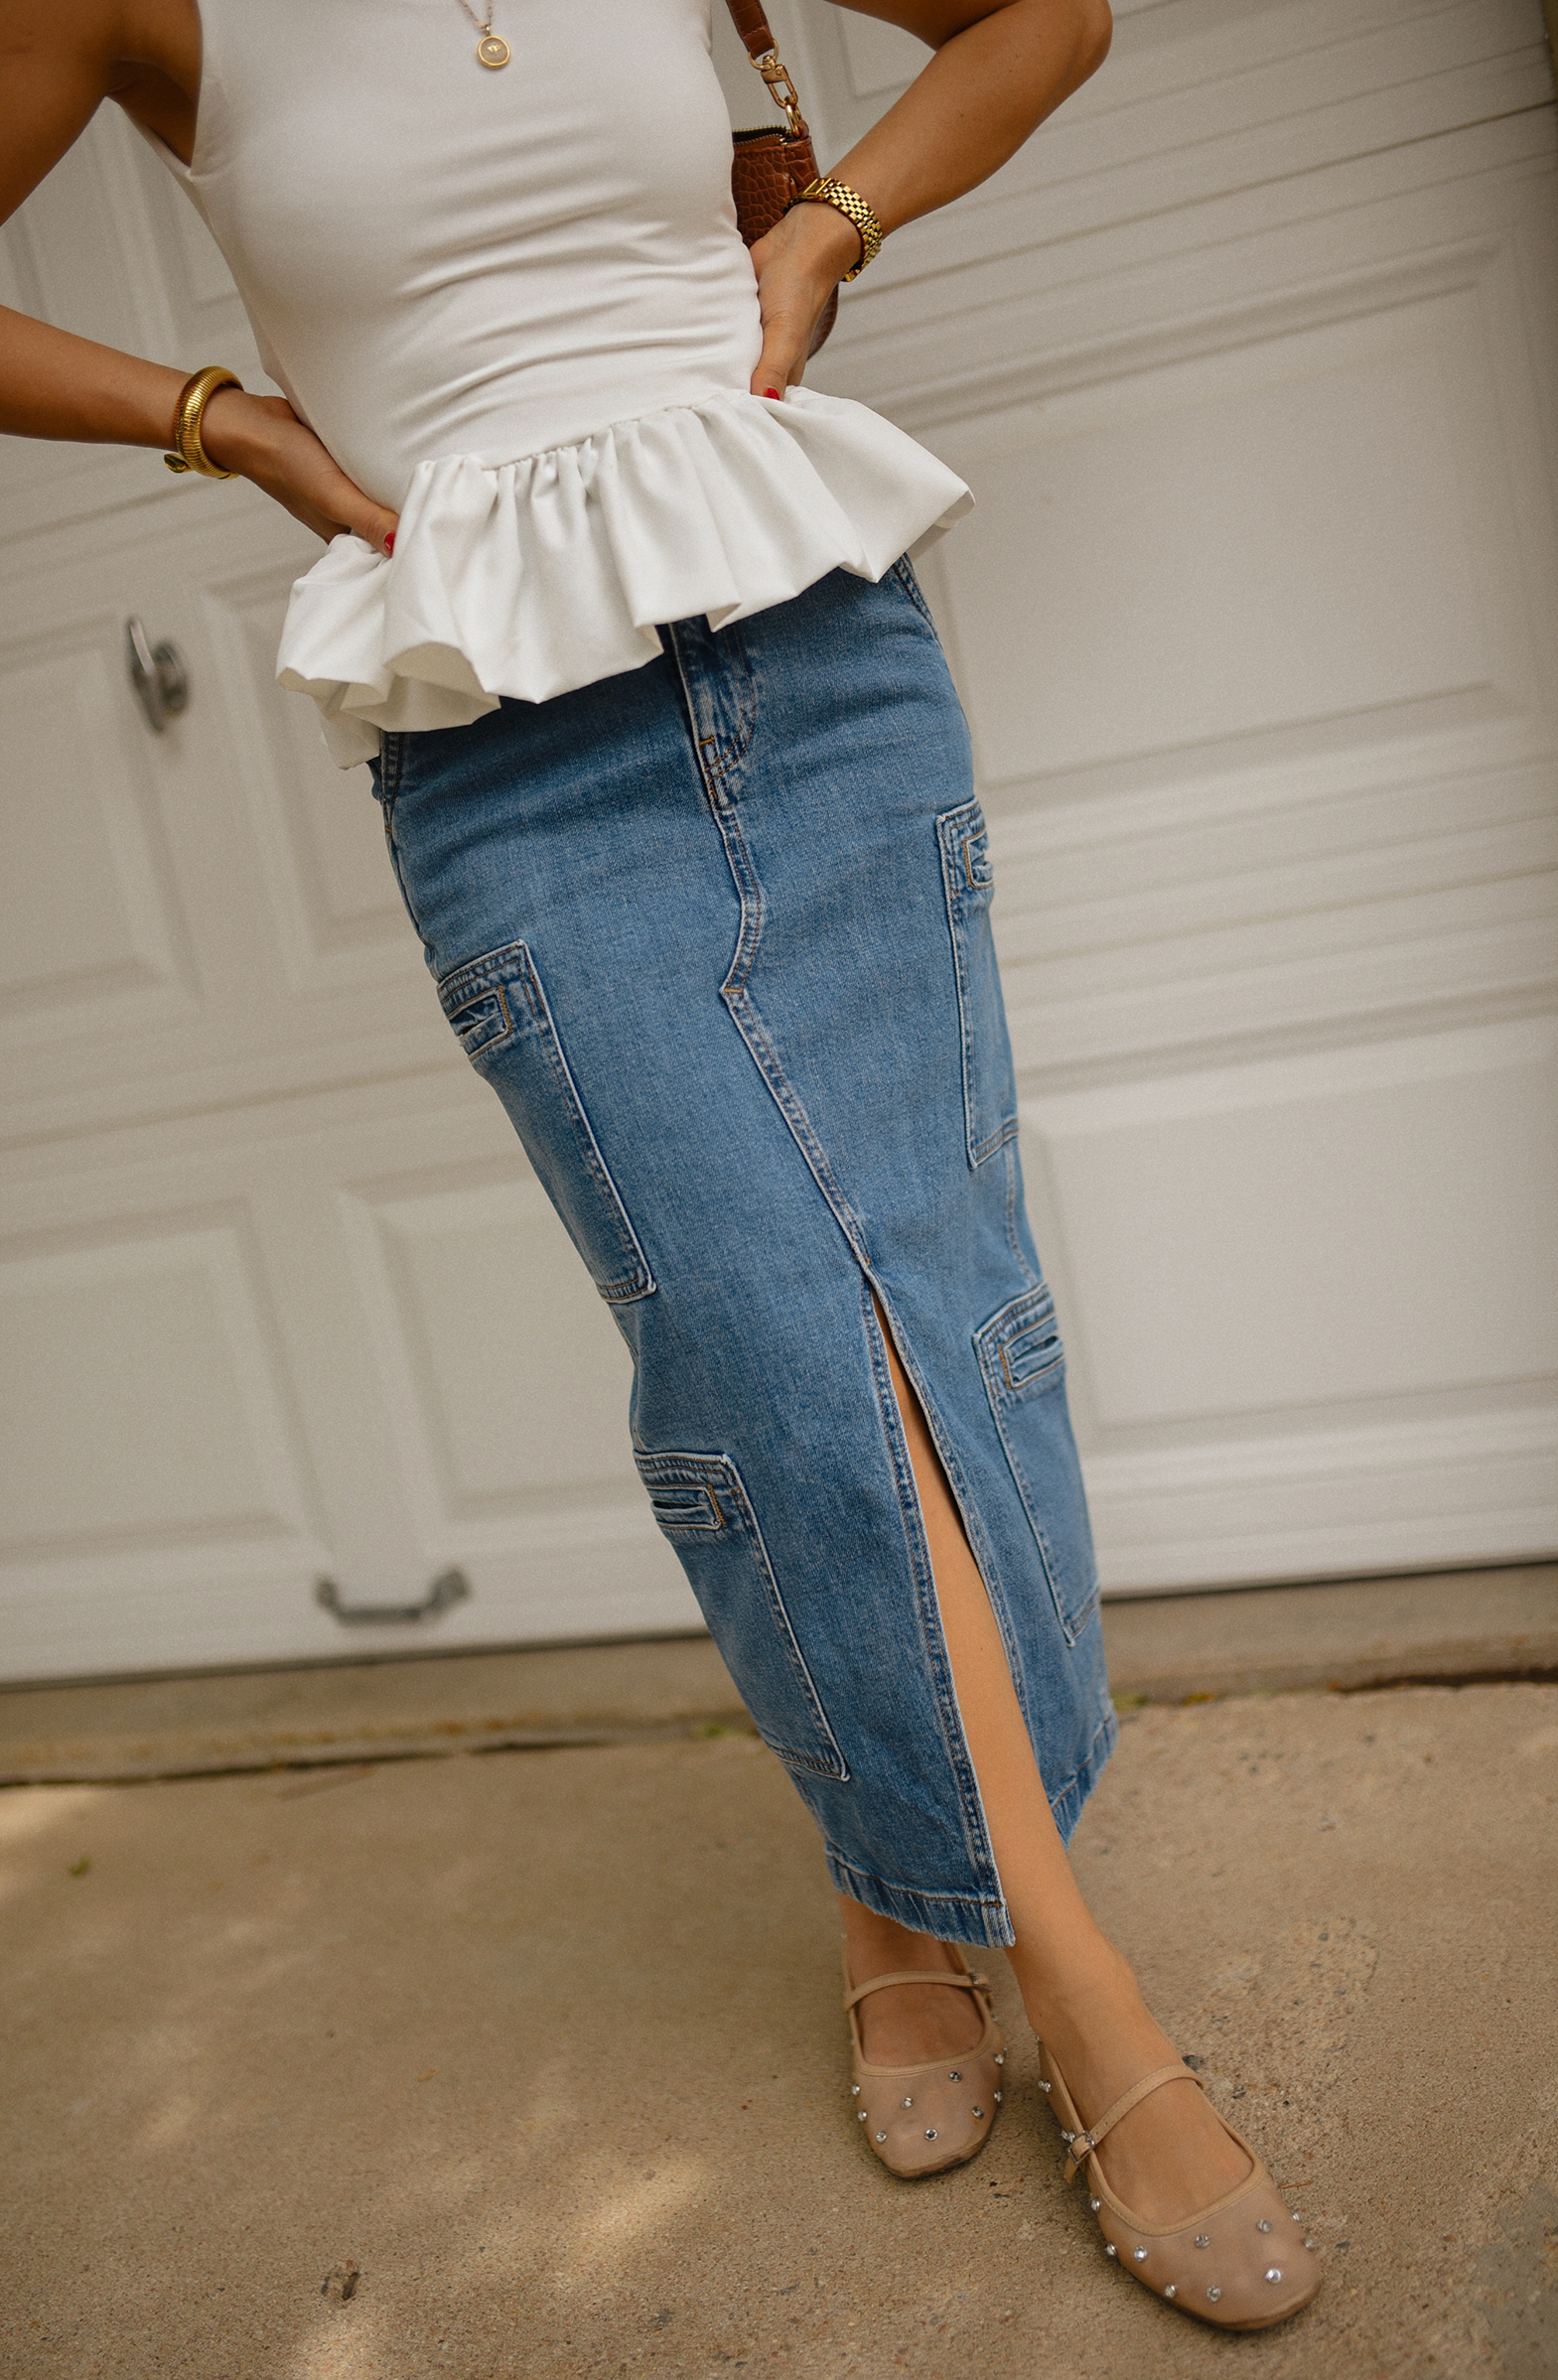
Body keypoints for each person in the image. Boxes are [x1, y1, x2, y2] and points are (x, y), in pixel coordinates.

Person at [1, 0, 1320, 2331]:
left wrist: (823, 228)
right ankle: (1081, 1985)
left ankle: (889, 1902)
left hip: (819, 651)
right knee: (759, 1335)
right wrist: (217, 425)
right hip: (508, 760)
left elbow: (1051, 16)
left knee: (927, 1298)